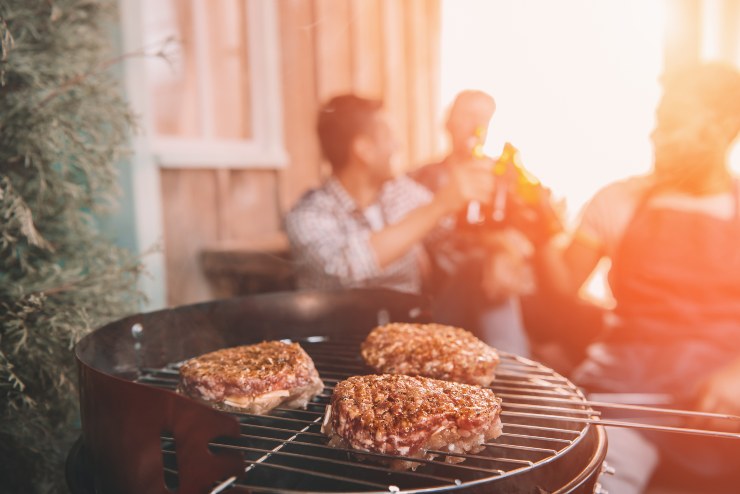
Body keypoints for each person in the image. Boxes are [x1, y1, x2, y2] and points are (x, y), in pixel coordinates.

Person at [539, 62, 740, 493]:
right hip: (624, 401)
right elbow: (561, 286)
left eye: (671, 126)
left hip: (722, 412)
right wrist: (541, 229)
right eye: (657, 124)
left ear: (722, 128)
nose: (655, 136)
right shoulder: (619, 200)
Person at [285, 94, 495, 296]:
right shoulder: (308, 213)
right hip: (341, 329)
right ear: (364, 149)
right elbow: (341, 269)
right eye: (389, 137)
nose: (398, 146)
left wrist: (503, 247)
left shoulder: (399, 192)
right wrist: (438, 206)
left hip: (409, 326)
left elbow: (448, 229)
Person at [411, 90, 536, 356]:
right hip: (439, 297)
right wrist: (495, 244)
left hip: (496, 287)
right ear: (448, 122)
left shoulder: (505, 179)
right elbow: (420, 239)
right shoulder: (419, 180)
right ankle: (516, 368)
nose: (477, 126)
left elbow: (527, 233)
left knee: (494, 263)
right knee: (481, 262)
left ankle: (515, 360)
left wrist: (505, 248)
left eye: (484, 118)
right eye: (468, 115)